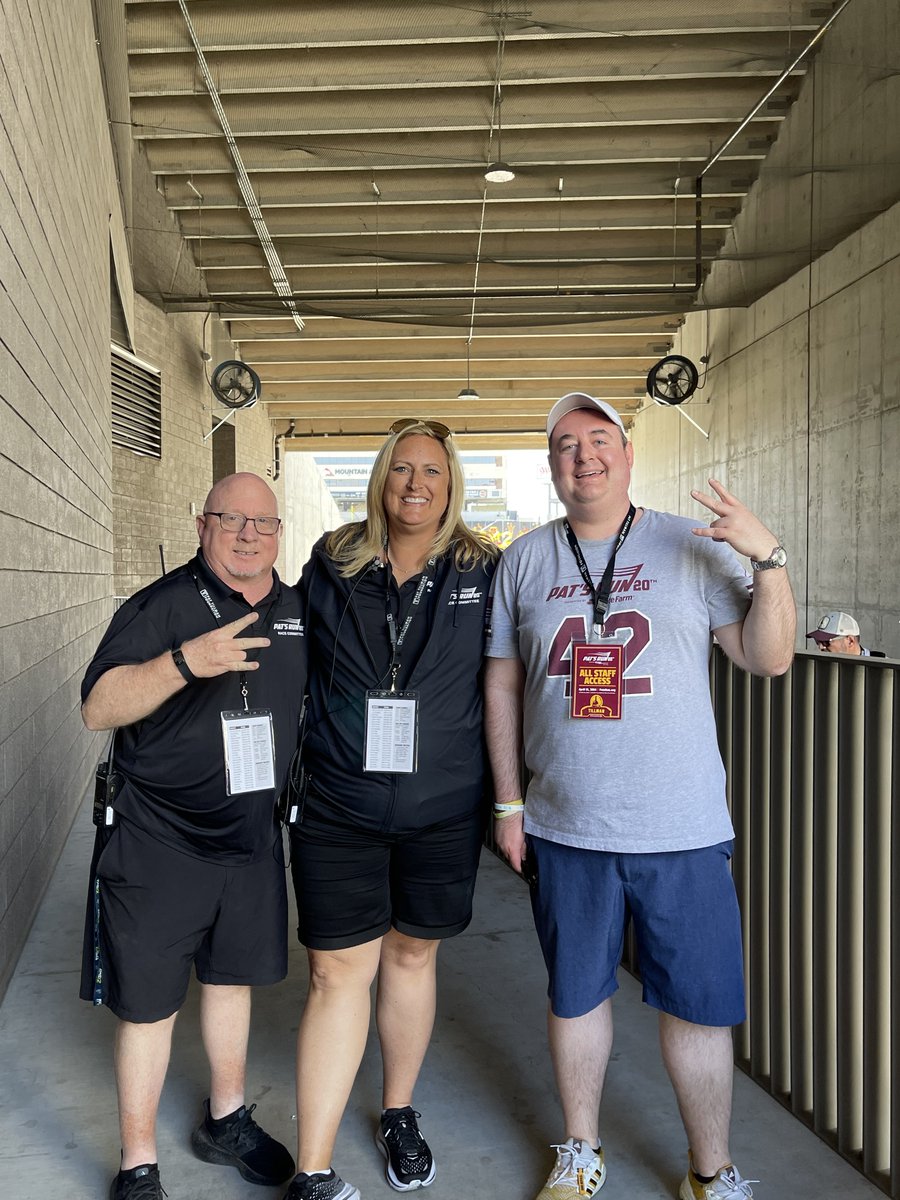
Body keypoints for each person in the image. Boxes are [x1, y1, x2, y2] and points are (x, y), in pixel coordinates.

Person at [484, 393, 796, 1200]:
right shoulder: (523, 561)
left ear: (626, 454)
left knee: (696, 1008)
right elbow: (502, 686)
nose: (581, 456)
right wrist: (510, 804)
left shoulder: (689, 544)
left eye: (598, 440)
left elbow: (769, 660)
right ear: (550, 466)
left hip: (681, 825)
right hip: (566, 826)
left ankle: (711, 1169)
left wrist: (770, 560)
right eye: (563, 445)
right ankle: (580, 1151)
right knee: (576, 996)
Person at [284, 419, 497, 1200]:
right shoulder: (334, 559)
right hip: (340, 803)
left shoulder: (483, 568)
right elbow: (287, 656)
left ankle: (397, 1113)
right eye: (401, 469)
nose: (416, 484)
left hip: (443, 808)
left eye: (432, 472)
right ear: (380, 478)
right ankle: (313, 1167)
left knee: (412, 957)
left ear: (451, 484)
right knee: (336, 974)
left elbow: (510, 678)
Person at [80, 472, 304, 1200]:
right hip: (158, 841)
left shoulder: (294, 610)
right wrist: (186, 662)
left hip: (249, 839)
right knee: (148, 1006)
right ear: (201, 524)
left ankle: (227, 1118)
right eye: (230, 519)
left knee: (230, 979)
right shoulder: (161, 605)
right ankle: (138, 1163)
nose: (247, 535)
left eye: (262, 523)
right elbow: (98, 706)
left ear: (280, 533)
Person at [806, 611, 883, 656]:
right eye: (818, 641)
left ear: (850, 641)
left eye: (826, 642)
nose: (821, 647)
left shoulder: (884, 670)